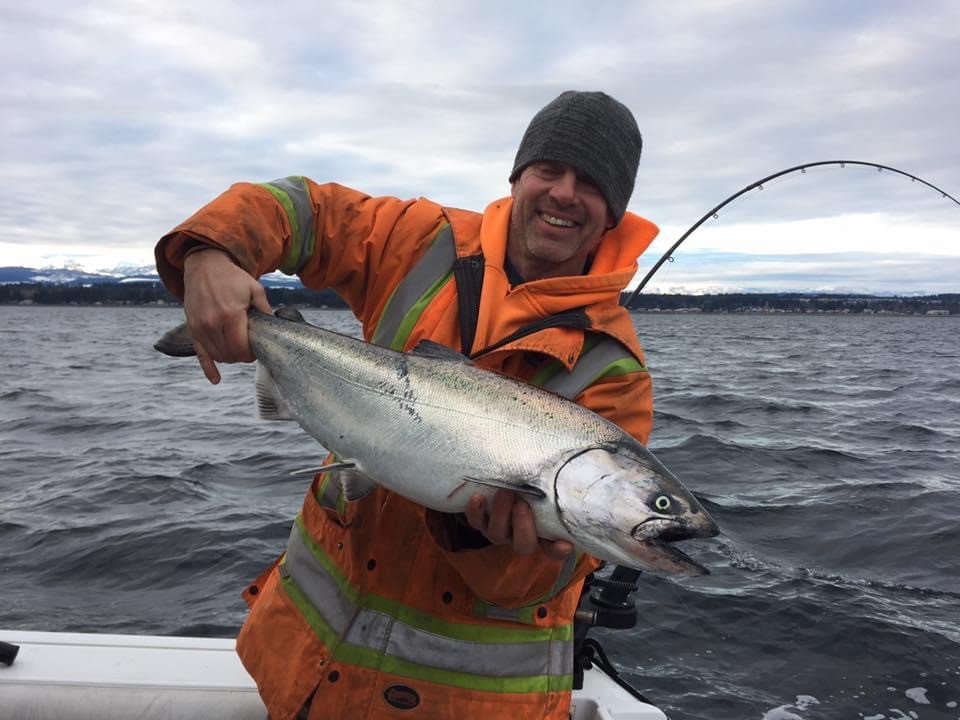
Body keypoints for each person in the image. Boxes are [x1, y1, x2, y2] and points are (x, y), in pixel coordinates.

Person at [155, 90, 660, 720]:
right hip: (302, 667)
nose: (563, 192)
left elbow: (540, 586)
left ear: (614, 210)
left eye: (590, 183)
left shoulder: (615, 373)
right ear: (518, 176)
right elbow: (302, 208)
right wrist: (210, 252)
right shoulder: (422, 240)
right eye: (549, 170)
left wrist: (489, 541)